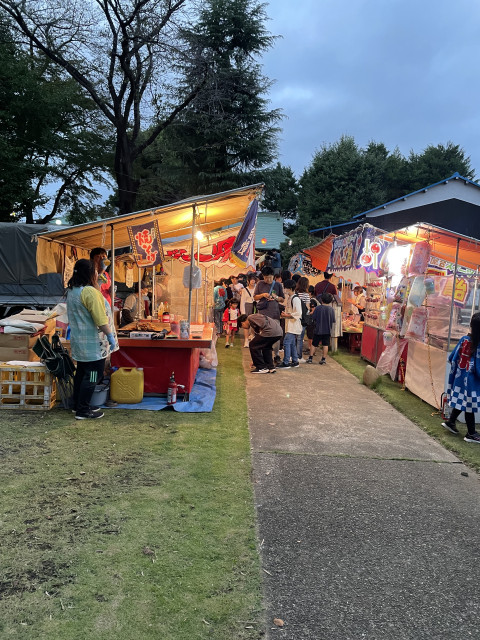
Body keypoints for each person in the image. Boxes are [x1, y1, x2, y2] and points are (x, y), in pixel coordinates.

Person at [66, 259, 117, 420]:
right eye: (94, 271)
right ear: (89, 273)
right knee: (93, 376)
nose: (96, 273)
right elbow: (100, 318)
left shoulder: (73, 290)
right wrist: (110, 336)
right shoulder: (89, 292)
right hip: (94, 344)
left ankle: (77, 405)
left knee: (81, 373)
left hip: (80, 343)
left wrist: (98, 284)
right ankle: (83, 409)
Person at [442, 312, 480, 442]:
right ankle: (471, 433)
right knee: (469, 405)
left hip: (459, 379)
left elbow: (452, 358)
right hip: (471, 382)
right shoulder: (478, 345)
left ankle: (451, 422)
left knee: (461, 400)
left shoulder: (464, 339)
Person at [253, 266, 284, 365]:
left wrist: (276, 297)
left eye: (270, 277)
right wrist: (263, 295)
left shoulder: (278, 285)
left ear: (273, 276)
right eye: (266, 277)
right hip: (263, 314)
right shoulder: (260, 284)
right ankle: (264, 357)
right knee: (263, 336)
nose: (268, 280)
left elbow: (282, 299)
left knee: (276, 335)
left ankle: (276, 355)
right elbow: (255, 297)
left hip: (274, 314)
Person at [278, 279, 302, 368]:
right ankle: (295, 360)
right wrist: (285, 315)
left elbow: (298, 313)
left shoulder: (295, 299)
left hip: (293, 325)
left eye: (286, 288)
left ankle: (286, 362)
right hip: (290, 325)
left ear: (290, 288)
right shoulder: (290, 298)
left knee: (286, 342)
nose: (284, 290)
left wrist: (286, 315)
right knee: (291, 343)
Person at [308, 292, 336, 365]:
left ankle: (310, 358)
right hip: (327, 330)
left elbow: (314, 317)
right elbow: (333, 320)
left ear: (321, 299)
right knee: (325, 345)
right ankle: (323, 359)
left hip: (318, 329)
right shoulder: (331, 309)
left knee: (314, 344)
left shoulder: (318, 308)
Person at [295, 276, 310, 363]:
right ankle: (299, 356)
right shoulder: (306, 295)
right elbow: (307, 308)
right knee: (300, 339)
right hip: (302, 319)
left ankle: (292, 355)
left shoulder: (295, 294)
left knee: (294, 337)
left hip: (295, 317)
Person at [240, 273, 258, 347]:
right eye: (251, 280)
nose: (253, 281)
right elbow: (242, 301)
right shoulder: (244, 290)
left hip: (255, 307)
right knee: (246, 324)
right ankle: (246, 340)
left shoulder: (257, 288)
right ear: (248, 281)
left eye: (254, 280)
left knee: (254, 324)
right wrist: (243, 312)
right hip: (247, 306)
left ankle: (252, 337)